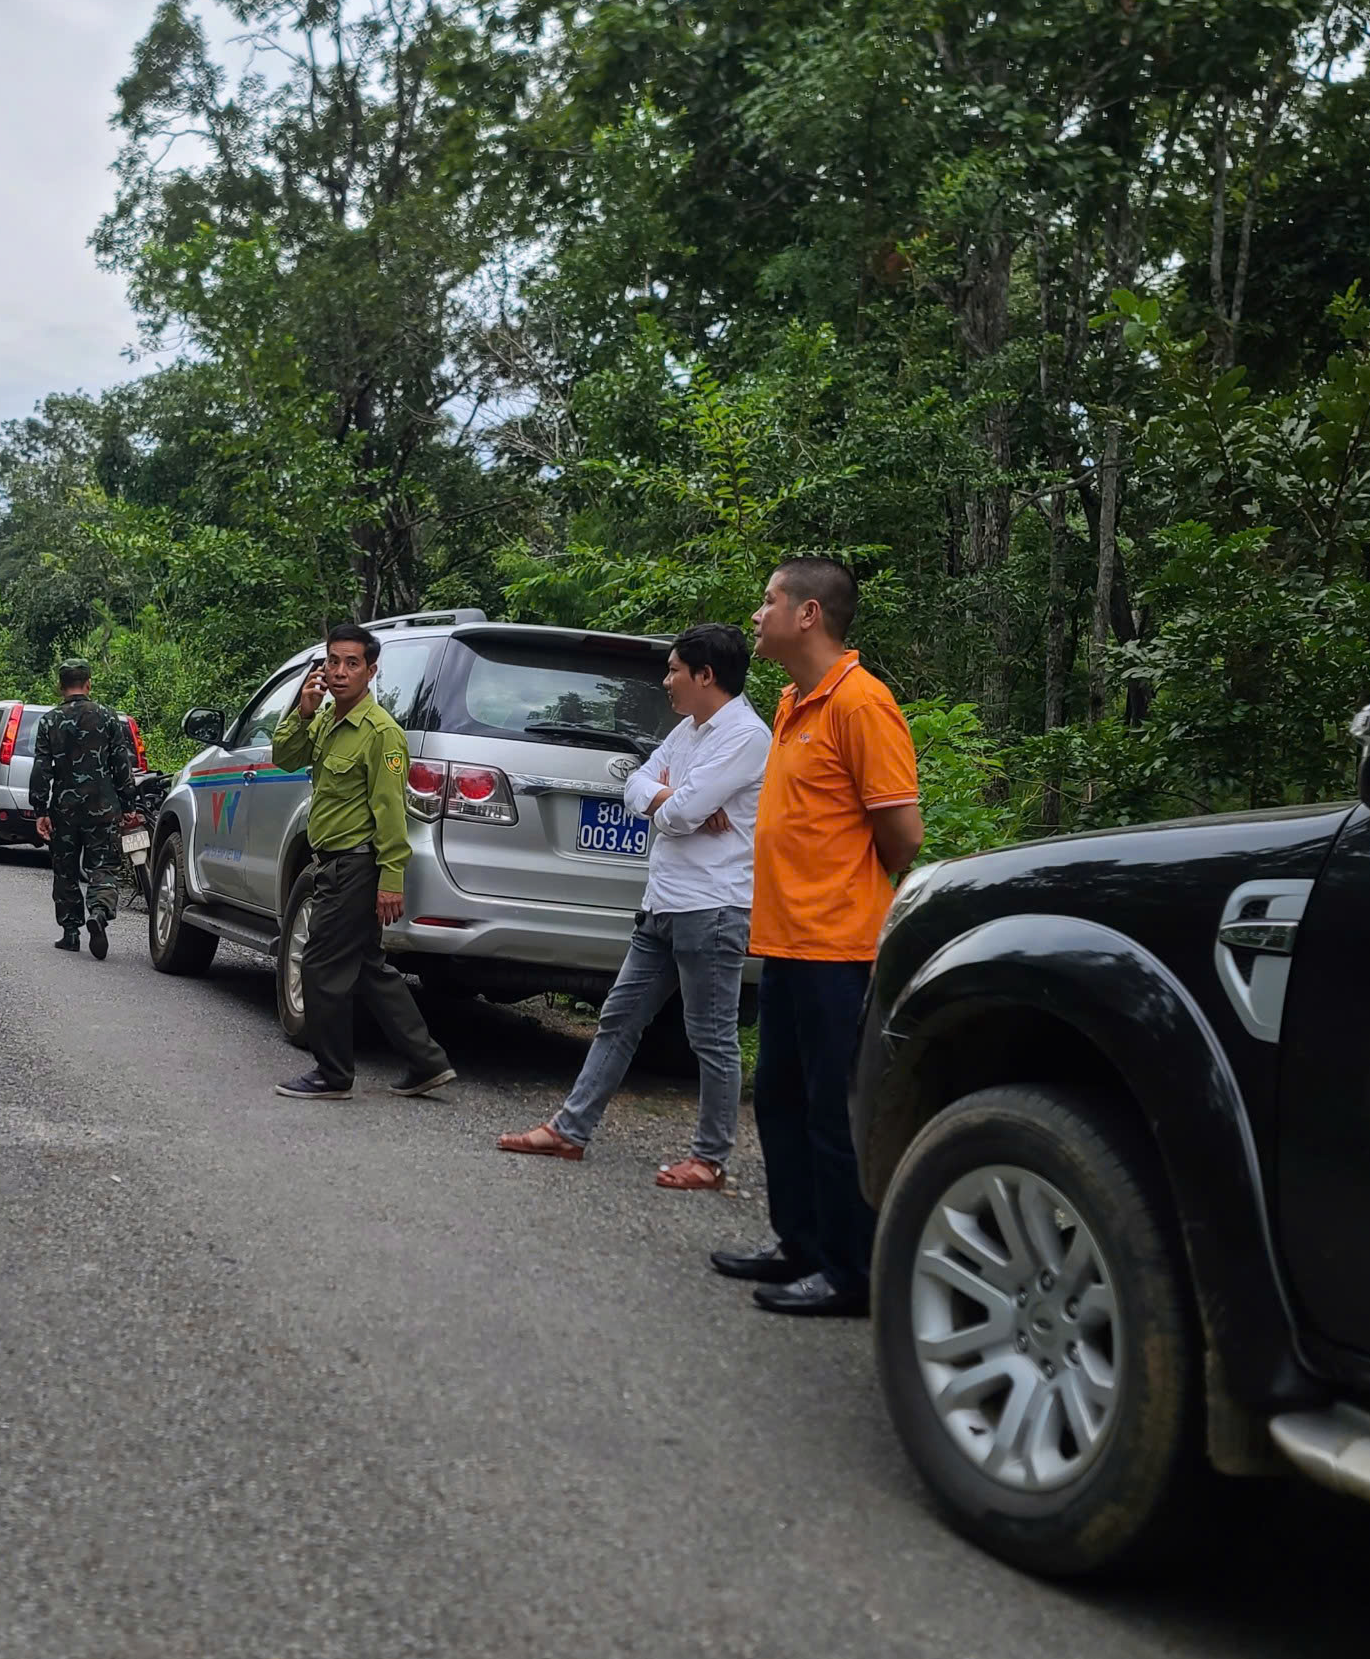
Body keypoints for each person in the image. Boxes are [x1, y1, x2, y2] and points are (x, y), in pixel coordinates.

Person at [711, 558, 921, 1317]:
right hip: (787, 943)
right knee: (780, 1101)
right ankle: (797, 1241)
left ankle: (850, 1271)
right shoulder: (795, 701)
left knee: (834, 1112)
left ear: (809, 615)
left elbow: (902, 834)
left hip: (839, 948)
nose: (757, 614)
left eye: (769, 600)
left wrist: (849, 898)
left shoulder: (862, 705)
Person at [495, 622, 768, 1181]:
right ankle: (569, 1132)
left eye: (673, 670)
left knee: (710, 1036)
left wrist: (673, 802)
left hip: (712, 908)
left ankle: (710, 1159)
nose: (666, 681)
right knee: (618, 1019)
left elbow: (679, 814)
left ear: (705, 675)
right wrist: (671, 795)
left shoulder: (745, 736)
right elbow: (637, 787)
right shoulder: (689, 730)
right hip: (663, 903)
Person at [271, 623, 455, 1101]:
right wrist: (302, 710)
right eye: (333, 661)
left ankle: (333, 1074)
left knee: (320, 967)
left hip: (357, 866)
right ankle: (427, 1062)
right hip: (332, 862)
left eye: (352, 663)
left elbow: (391, 813)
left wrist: (391, 879)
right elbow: (285, 757)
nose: (340, 671)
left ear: (372, 672)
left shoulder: (381, 733)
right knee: (369, 968)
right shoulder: (329, 720)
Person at [28, 659, 132, 958]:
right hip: (103, 806)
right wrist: (128, 804)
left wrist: (40, 810)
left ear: (60, 687)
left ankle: (70, 932)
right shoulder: (108, 717)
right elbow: (121, 763)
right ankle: (98, 913)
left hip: (65, 808)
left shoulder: (50, 721)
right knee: (102, 866)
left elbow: (41, 768)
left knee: (65, 870)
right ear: (88, 683)